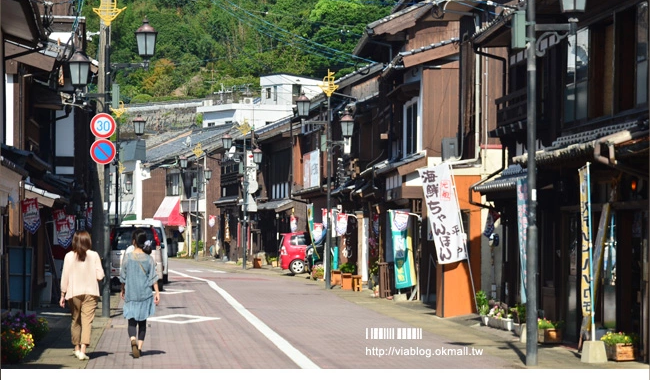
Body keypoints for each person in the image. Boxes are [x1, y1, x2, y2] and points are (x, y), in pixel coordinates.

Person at [59, 230, 105, 361]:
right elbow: (100, 276)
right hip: (91, 292)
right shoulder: (94, 255)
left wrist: (62, 294)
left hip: (73, 292)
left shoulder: (69, 256)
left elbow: (65, 277)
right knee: (87, 321)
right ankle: (83, 350)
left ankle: (77, 348)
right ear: (88, 241)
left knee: (75, 319)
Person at [120, 228, 160, 358]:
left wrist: (122, 289)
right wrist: (157, 292)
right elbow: (153, 277)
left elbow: (123, 276)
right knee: (142, 323)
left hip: (131, 293)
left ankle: (133, 340)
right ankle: (140, 348)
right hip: (145, 294)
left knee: (131, 321)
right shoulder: (149, 259)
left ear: (133, 242)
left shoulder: (127, 258)